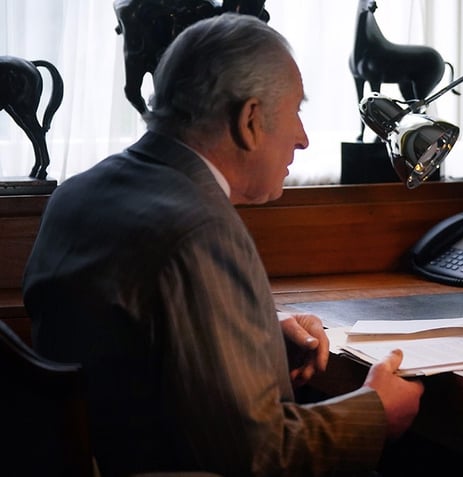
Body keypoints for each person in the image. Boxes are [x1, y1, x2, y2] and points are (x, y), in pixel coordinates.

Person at [22, 13, 423, 477]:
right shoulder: (199, 229)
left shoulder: (77, 194)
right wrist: (375, 412)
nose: (304, 138)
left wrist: (259, 333)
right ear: (250, 120)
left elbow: (134, 343)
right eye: (296, 111)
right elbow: (258, 457)